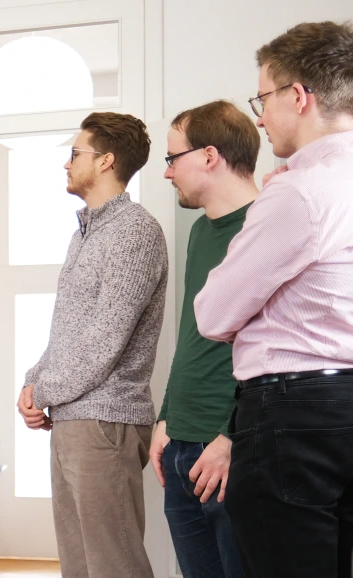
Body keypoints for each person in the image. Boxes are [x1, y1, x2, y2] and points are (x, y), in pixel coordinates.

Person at [194, 21, 353, 578]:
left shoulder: (300, 191)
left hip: (294, 416)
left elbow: (213, 314)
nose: (258, 116)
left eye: (262, 97)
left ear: (300, 96)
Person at [17, 112, 167, 578]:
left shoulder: (134, 232)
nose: (66, 164)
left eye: (74, 153)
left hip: (105, 420)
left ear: (106, 161)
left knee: (114, 567)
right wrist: (32, 383)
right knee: (79, 568)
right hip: (73, 419)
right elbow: (68, 333)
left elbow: (105, 340)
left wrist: (43, 393)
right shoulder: (84, 234)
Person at [150, 100, 258, 578]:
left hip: (228, 449)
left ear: (209, 156)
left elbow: (277, 354)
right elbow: (191, 335)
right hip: (181, 443)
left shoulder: (266, 225)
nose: (168, 173)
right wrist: (167, 417)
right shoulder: (198, 232)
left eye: (173, 159)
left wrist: (233, 438)